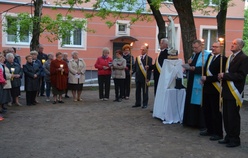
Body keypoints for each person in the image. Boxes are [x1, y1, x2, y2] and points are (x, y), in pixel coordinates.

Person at [218, 38, 248, 147]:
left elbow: (241, 75)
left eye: (234, 44)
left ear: (240, 46)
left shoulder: (244, 58)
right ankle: (228, 136)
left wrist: (225, 76)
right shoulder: (231, 57)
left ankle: (235, 139)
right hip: (226, 91)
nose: (232, 45)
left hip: (235, 92)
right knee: (226, 116)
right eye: (232, 43)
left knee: (233, 117)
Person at [201, 42, 227, 140]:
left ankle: (218, 132)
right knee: (206, 110)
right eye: (212, 46)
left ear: (221, 48)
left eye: (216, 47)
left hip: (216, 89)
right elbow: (205, 71)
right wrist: (203, 79)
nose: (213, 48)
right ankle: (209, 129)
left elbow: (220, 76)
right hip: (207, 88)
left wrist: (207, 78)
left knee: (215, 111)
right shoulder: (210, 58)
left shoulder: (223, 59)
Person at [183, 39, 210, 129]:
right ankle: (190, 121)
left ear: (201, 46)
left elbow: (206, 68)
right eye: (193, 48)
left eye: (196, 47)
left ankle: (200, 123)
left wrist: (195, 68)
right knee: (191, 100)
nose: (194, 49)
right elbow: (191, 65)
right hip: (192, 81)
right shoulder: (194, 55)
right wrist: (188, 65)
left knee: (200, 102)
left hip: (199, 82)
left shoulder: (206, 55)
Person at [132, 44, 153, 109]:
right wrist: (132, 72)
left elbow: (149, 70)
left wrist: (148, 78)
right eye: (141, 49)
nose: (142, 51)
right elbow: (135, 67)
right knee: (137, 91)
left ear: (146, 51)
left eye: (143, 50)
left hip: (144, 77)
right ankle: (137, 103)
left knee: (145, 91)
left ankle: (145, 103)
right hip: (138, 77)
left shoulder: (149, 59)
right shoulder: (138, 58)